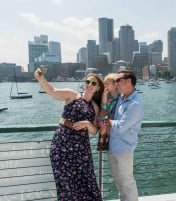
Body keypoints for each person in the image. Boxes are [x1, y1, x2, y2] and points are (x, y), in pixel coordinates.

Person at [34, 68, 104, 201]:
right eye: (87, 81)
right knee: (65, 183)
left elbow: (94, 131)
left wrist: (88, 124)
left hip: (82, 150)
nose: (89, 85)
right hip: (62, 145)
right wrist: (41, 79)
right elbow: (52, 91)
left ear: (97, 88)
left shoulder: (95, 106)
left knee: (85, 182)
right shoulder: (72, 95)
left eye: (93, 83)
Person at [107, 69, 144, 201]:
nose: (116, 83)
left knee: (127, 183)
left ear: (129, 81)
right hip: (112, 146)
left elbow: (121, 127)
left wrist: (108, 121)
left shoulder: (136, 103)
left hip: (124, 149)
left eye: (118, 80)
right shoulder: (121, 98)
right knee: (119, 181)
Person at [97, 73, 119, 151]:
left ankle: (107, 143)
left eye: (107, 83)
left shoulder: (121, 95)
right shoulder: (106, 94)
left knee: (109, 130)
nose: (105, 85)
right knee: (105, 127)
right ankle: (103, 144)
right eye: (104, 83)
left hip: (114, 120)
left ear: (115, 84)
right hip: (106, 118)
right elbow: (104, 106)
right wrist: (105, 95)